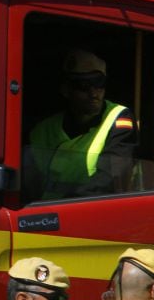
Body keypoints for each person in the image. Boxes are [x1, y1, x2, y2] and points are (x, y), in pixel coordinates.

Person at [26, 48, 137, 200]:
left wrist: (67, 204)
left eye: (99, 83)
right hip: (42, 214)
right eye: (84, 85)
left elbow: (109, 180)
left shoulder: (118, 118)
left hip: (90, 211)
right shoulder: (43, 130)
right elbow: (27, 183)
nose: (94, 93)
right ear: (66, 90)